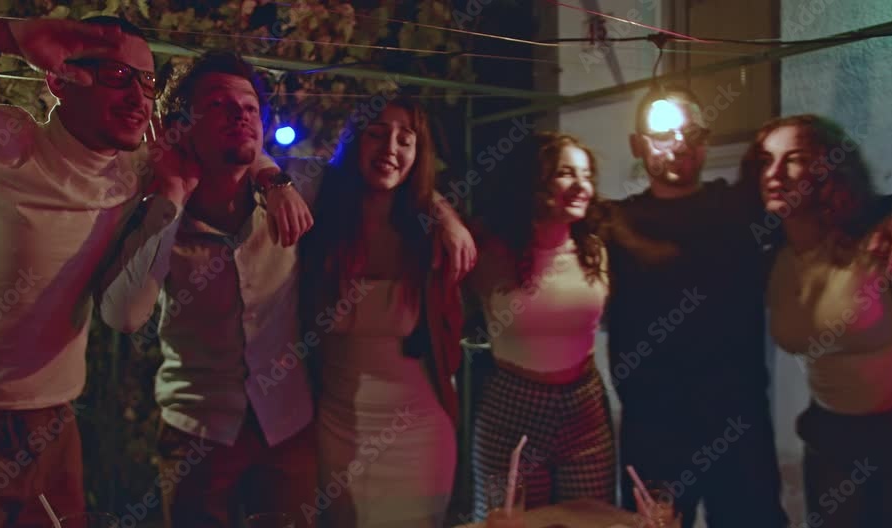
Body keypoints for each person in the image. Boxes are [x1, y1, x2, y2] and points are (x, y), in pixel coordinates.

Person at [100, 52, 476, 528]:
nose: (240, 115)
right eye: (218, 105)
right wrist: (171, 194)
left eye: (249, 108)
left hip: (288, 426)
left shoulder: (303, 185)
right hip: (198, 429)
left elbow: (384, 176)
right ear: (180, 127)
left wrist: (444, 213)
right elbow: (124, 316)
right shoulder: (153, 210)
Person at [0, 13, 185, 528]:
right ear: (58, 80)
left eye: (148, 82)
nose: (139, 97)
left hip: (54, 424)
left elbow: (227, 140)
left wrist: (271, 178)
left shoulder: (135, 170)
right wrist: (4, 35)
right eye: (117, 75)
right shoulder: (2, 142)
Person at [601, 86, 790, 528]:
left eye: (692, 133)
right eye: (663, 134)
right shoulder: (612, 222)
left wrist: (891, 212)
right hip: (652, 425)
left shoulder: (742, 208)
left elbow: (826, 209)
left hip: (737, 420)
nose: (680, 144)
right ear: (637, 145)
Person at [297, 96, 464, 527]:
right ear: (355, 141)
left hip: (418, 435)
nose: (390, 148)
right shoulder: (320, 211)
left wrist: (442, 212)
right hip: (337, 429)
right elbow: (268, 167)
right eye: (377, 134)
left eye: (405, 140)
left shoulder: (428, 236)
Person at [751, 114, 892, 527]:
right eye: (766, 161)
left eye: (794, 159)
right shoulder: (772, 257)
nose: (774, 173)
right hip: (829, 440)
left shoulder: (877, 240)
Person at [467, 132, 616, 517]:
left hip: (583, 406)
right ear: (532, 181)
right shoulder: (490, 253)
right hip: (512, 406)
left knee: (590, 520)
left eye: (587, 175)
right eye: (566, 173)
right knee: (510, 522)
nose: (582, 186)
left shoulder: (594, 251)